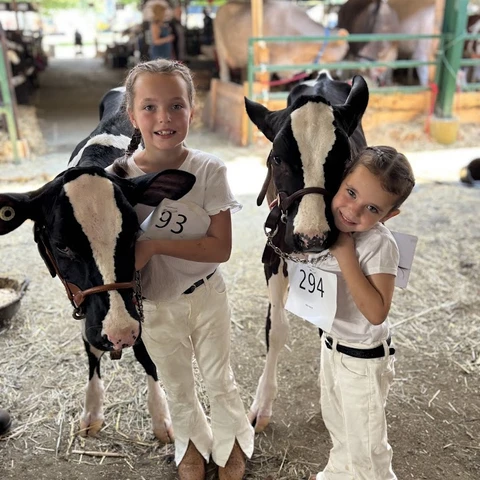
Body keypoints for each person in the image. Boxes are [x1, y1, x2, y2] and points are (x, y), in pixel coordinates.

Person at [107, 59, 254, 480]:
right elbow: (118, 257)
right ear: (132, 116)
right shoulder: (115, 178)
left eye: (176, 105)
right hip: (154, 304)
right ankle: (190, 445)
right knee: (176, 383)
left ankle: (231, 443)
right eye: (149, 107)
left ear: (194, 110)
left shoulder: (209, 169)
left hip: (207, 295)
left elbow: (220, 248)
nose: (164, 118)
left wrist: (152, 243)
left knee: (219, 377)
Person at [308, 146, 415, 480]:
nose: (353, 210)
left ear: (387, 216)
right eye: (350, 193)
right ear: (340, 182)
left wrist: (346, 255)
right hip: (332, 347)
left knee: (367, 447)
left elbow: (377, 311)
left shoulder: (379, 244)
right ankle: (338, 473)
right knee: (339, 428)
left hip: (363, 361)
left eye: (371, 208)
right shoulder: (330, 226)